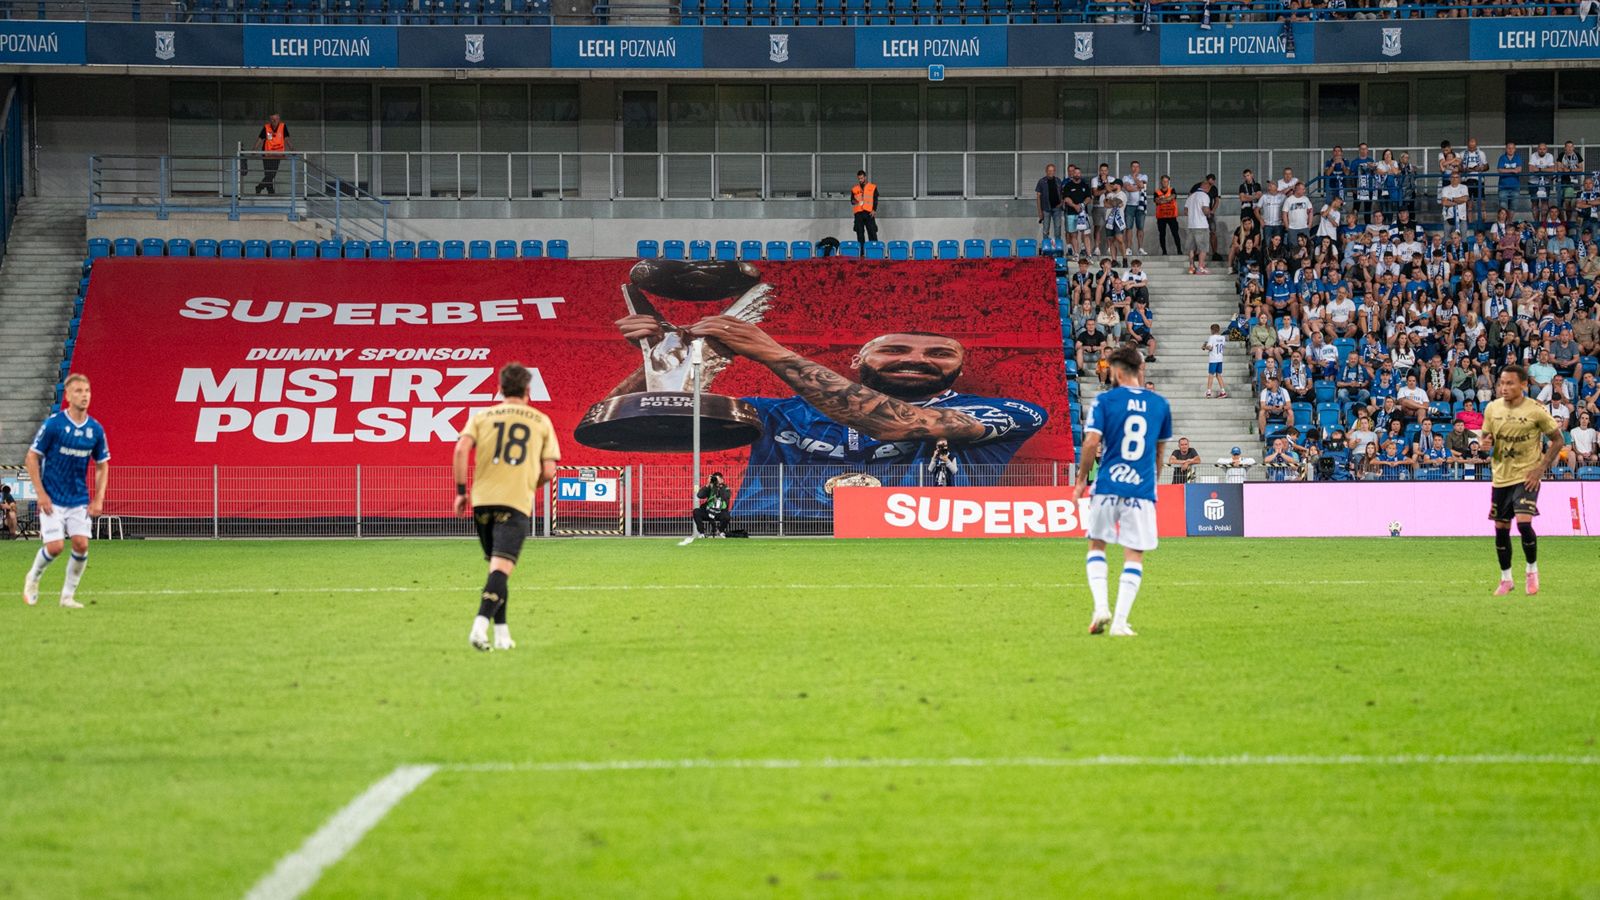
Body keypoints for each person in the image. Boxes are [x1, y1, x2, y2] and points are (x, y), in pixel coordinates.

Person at [613, 317, 1046, 518]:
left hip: (922, 542)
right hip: (767, 542)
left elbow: (896, 423)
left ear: (960, 369)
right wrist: (661, 361)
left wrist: (773, 353)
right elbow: (630, 424)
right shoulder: (775, 413)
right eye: (894, 349)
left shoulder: (1008, 412)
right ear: (858, 358)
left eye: (939, 353)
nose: (916, 359)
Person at [452, 362, 561, 651]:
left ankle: (502, 634)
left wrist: (461, 492)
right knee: (501, 569)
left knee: (496, 568)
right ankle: (479, 626)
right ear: (528, 390)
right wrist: (531, 485)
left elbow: (461, 449)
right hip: (514, 503)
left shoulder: (482, 416)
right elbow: (549, 471)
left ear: (500, 388)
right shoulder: (540, 420)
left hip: (483, 501)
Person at [1074, 346, 1171, 638]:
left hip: (1107, 486)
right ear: (1140, 369)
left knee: (1097, 545)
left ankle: (1101, 606)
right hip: (1141, 490)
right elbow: (1159, 451)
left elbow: (1091, 443)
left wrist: (1081, 480)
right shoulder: (1159, 405)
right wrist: (1153, 481)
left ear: (1116, 371)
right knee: (1134, 554)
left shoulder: (1104, 400)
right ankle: (1119, 622)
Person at [23, 374, 110, 609]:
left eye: (87, 391)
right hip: (52, 496)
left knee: (81, 544)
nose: (84, 395)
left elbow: (102, 464)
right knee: (55, 547)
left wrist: (98, 498)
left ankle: (67, 597)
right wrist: (40, 493)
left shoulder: (95, 429)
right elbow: (31, 457)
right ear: (68, 396)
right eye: (79, 391)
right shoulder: (54, 425)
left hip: (79, 498)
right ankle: (33, 577)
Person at [1481, 364, 1565, 597]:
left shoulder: (1536, 410)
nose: (1504, 388)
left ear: (1524, 385)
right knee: (1501, 529)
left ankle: (1531, 571)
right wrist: (1485, 444)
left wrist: (1540, 468)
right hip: (1501, 477)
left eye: (1510, 383)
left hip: (1527, 475)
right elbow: (1487, 436)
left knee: (1524, 523)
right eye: (1502, 383)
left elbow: (1558, 440)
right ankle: (1506, 578)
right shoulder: (1492, 408)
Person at [253, 112, 292, 196]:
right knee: (269, 173)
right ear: (270, 120)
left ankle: (260, 187)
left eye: (276, 119)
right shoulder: (266, 127)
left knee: (272, 173)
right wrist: (254, 149)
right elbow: (260, 139)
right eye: (272, 119)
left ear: (279, 119)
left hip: (277, 154)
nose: (274, 121)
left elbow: (287, 138)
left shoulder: (283, 126)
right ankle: (270, 190)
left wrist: (292, 148)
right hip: (267, 154)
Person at [1184, 178, 1212, 275]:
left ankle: (1191, 267)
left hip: (1191, 225)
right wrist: (1209, 213)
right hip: (1201, 225)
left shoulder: (1191, 196)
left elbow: (1185, 211)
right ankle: (1200, 267)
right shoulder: (1204, 196)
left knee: (1191, 248)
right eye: (1209, 188)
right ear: (1206, 187)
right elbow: (1205, 209)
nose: (1209, 190)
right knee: (1203, 247)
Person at [691, 472, 732, 538]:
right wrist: (707, 485)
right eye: (714, 479)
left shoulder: (726, 488)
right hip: (709, 511)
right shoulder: (710, 487)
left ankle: (720, 531)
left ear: (722, 480)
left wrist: (719, 487)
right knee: (696, 511)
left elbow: (726, 497)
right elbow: (700, 495)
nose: (716, 481)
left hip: (720, 512)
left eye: (717, 479)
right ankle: (702, 533)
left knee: (727, 516)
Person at [1035, 162, 1065, 247]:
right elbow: (1038, 197)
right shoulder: (1041, 181)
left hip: (1057, 209)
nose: (1051, 172)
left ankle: (1058, 248)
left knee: (1058, 229)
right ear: (1046, 171)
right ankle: (1046, 247)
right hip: (1046, 209)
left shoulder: (1058, 180)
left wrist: (1061, 203)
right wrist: (1040, 211)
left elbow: (1063, 193)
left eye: (1052, 170)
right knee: (1045, 230)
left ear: (1054, 171)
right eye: (1049, 170)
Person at [849, 170, 879, 250]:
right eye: (859, 179)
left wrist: (874, 210)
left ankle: (874, 250)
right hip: (858, 214)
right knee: (860, 234)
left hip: (869, 213)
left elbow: (875, 199)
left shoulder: (872, 187)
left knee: (872, 232)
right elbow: (852, 201)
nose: (860, 180)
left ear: (865, 177)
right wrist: (856, 200)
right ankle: (862, 252)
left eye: (861, 178)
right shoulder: (854, 189)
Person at [1152, 175, 1180, 255]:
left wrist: (1163, 199)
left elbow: (1173, 197)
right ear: (1161, 182)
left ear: (1168, 182)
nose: (1165, 183)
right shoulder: (1157, 192)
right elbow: (1157, 201)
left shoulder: (1172, 189)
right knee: (1162, 235)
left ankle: (1179, 250)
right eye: (1163, 181)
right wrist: (1167, 199)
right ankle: (1164, 251)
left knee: (1175, 234)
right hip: (1161, 217)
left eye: (1167, 181)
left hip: (1172, 216)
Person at [1203, 323, 1229, 399]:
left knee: (1211, 375)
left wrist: (1204, 346)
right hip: (1220, 358)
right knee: (1218, 375)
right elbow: (1222, 345)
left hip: (1213, 359)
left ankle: (1208, 392)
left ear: (1211, 330)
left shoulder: (1211, 337)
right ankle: (1223, 392)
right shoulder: (1222, 337)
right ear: (1219, 330)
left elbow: (1210, 348)